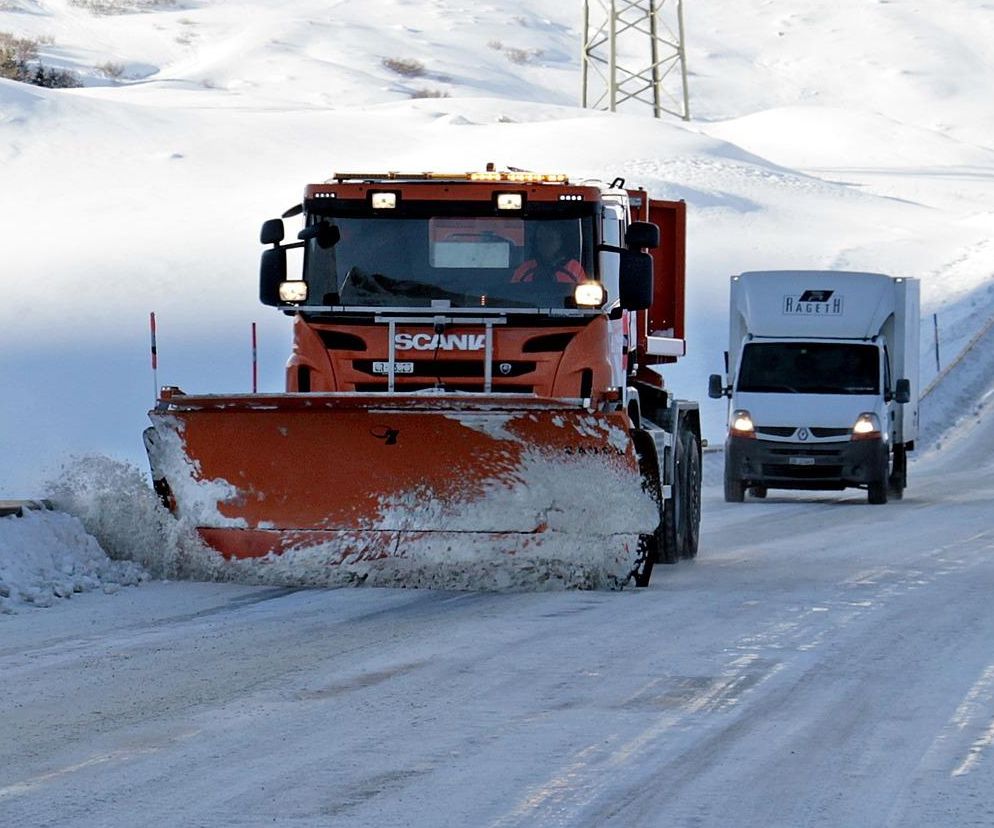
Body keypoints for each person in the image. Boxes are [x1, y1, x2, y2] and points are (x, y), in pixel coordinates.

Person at [511, 223, 587, 283]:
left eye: (550, 239)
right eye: (540, 239)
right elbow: (513, 296)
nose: (544, 244)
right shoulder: (523, 270)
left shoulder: (575, 268)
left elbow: (585, 296)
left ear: (560, 241)